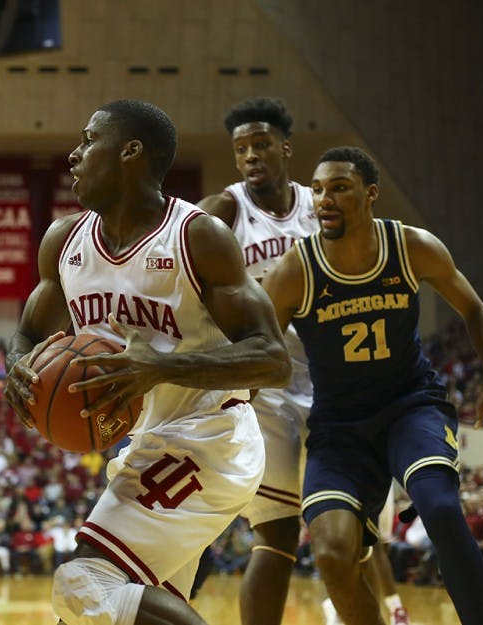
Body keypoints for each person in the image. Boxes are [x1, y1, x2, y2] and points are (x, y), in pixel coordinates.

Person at [5, 99, 291, 625]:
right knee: (108, 613)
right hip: (151, 441)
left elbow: (273, 359)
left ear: (130, 151)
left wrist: (160, 369)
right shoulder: (64, 241)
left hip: (211, 437)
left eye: (89, 141)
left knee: (84, 582)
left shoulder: (197, 236)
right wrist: (18, 368)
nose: (74, 155)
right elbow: (26, 333)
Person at [261, 146, 483, 625]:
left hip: (409, 406)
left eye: (339, 187)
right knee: (332, 554)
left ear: (371, 194)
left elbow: (476, 310)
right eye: (317, 190)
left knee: (441, 508)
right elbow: (255, 349)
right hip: (339, 427)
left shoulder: (412, 247)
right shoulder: (296, 270)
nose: (324, 199)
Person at [198, 97, 411, 625]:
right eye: (241, 148)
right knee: (277, 533)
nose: (250, 156)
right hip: (265, 388)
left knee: (351, 530)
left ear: (285, 148)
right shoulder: (224, 211)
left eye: (261, 145)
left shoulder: (320, 205)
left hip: (335, 384)